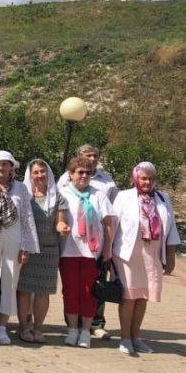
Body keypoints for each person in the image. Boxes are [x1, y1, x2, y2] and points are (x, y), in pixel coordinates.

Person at [112, 162, 181, 355]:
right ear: (136, 178)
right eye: (143, 178)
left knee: (143, 297)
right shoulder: (123, 197)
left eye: (150, 178)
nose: (147, 182)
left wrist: (171, 255)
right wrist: (107, 253)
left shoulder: (163, 198)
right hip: (128, 253)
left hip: (152, 254)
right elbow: (112, 226)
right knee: (129, 296)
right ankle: (125, 338)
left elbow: (171, 228)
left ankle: (136, 337)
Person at [57, 144, 119, 339]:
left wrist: (108, 249)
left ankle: (85, 330)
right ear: (71, 174)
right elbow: (57, 218)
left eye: (88, 173)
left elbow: (109, 223)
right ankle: (72, 329)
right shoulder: (64, 193)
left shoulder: (98, 195)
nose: (84, 176)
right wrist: (61, 226)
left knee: (89, 292)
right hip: (68, 250)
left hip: (92, 252)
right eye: (80, 172)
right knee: (70, 291)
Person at [0, 151, 39, 345]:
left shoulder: (21, 189)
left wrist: (26, 247)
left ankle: (3, 325)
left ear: (12, 167)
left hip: (14, 239)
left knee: (10, 282)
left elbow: (27, 218)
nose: (1, 168)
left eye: (5, 164)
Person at [15, 159, 70, 343]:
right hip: (27, 250)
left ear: (49, 174)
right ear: (29, 176)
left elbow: (59, 221)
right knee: (23, 290)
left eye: (43, 172)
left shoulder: (58, 197)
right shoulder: (24, 196)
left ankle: (38, 328)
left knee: (42, 292)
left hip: (48, 251)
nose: (40, 176)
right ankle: (23, 328)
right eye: (36, 172)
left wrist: (63, 227)